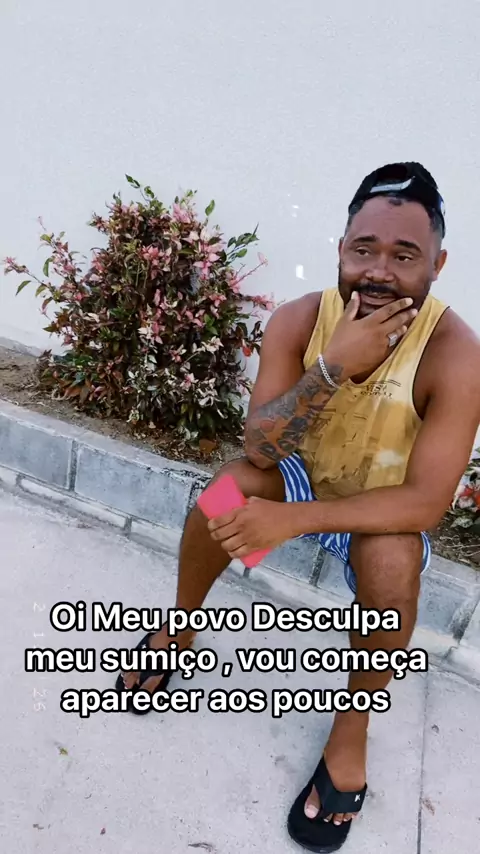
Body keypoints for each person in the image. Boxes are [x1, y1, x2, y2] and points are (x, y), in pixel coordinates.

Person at [116, 162, 480, 853]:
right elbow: (259, 449)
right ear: (341, 248)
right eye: (363, 249)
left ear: (437, 264)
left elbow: (426, 504)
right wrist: (333, 368)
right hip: (299, 478)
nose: (378, 271)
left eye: (404, 255)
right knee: (229, 487)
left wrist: (294, 522)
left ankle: (351, 726)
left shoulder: (456, 354)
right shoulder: (301, 320)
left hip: (381, 510)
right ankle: (180, 628)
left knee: (394, 561)